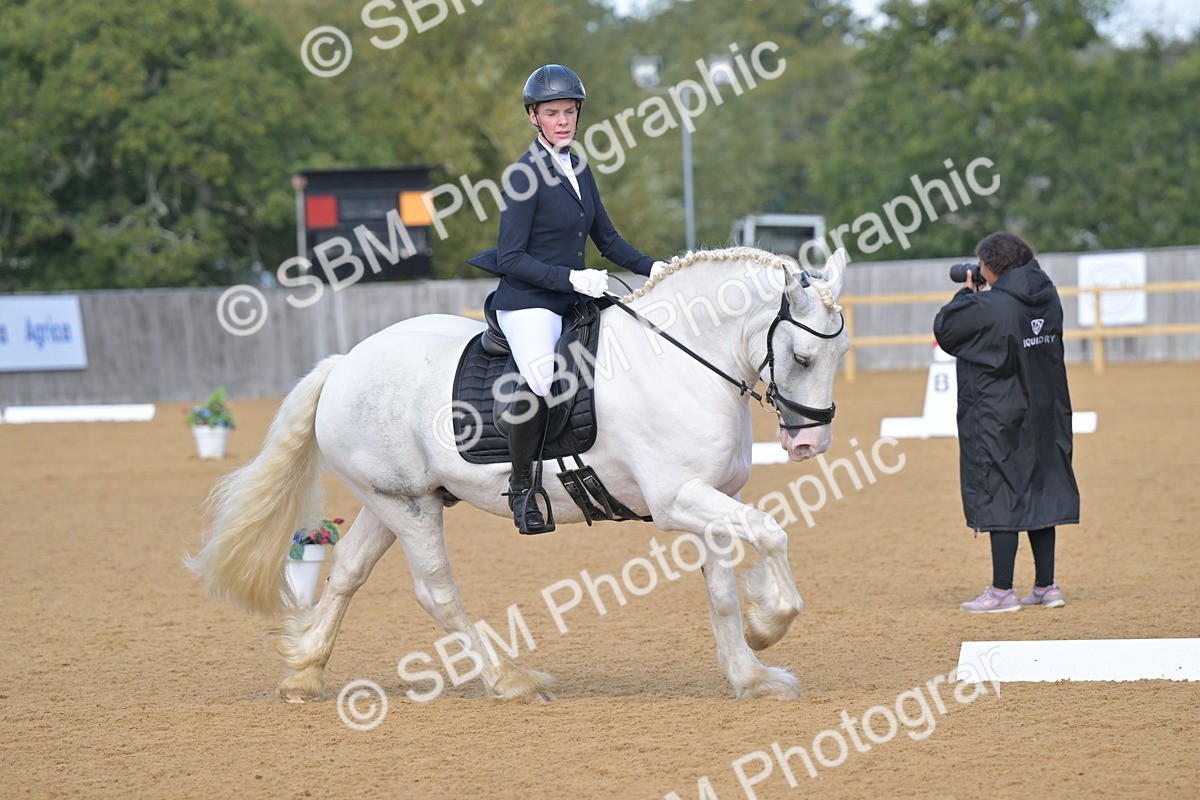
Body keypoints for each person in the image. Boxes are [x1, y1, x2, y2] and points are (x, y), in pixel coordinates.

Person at [469, 64, 667, 535]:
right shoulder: (523, 175)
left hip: (570, 298)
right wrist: (573, 279)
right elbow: (512, 257)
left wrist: (658, 268)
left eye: (569, 112)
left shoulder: (578, 166)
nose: (563, 121)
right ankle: (522, 490)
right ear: (534, 117)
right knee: (540, 381)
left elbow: (609, 240)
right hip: (529, 302)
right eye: (552, 113)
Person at [933, 231, 1080, 613]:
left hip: (999, 414)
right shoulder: (1048, 295)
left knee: (1001, 489)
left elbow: (945, 329)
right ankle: (1046, 586)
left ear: (991, 267)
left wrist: (968, 293)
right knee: (1041, 488)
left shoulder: (991, 306)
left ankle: (1001, 591)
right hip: (1046, 409)